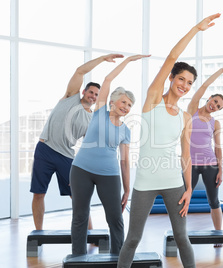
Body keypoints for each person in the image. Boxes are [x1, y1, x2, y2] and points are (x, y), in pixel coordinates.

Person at [117, 13, 221, 268]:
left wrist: (188, 188)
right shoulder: (153, 100)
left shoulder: (186, 117)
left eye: (190, 83)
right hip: (145, 182)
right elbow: (172, 58)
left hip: (174, 182)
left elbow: (185, 155)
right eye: (181, 79)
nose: (185, 85)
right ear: (172, 78)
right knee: (132, 239)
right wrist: (196, 29)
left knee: (182, 238)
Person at [30, 54, 123, 230]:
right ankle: (38, 234)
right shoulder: (70, 97)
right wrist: (103, 59)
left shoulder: (92, 120)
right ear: (84, 92)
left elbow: (95, 144)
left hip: (66, 156)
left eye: (96, 94)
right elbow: (80, 71)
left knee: (78, 196)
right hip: (45, 149)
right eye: (91, 92)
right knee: (38, 194)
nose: (93, 96)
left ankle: (91, 232)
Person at [70, 54, 150, 255]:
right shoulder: (99, 112)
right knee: (80, 216)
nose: (126, 107)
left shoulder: (125, 130)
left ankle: (118, 259)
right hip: (81, 170)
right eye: (123, 102)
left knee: (115, 218)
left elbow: (124, 161)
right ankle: (78, 259)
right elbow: (107, 80)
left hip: (109, 175)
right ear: (112, 101)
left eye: (130, 105)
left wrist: (126, 189)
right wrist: (127, 62)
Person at [186, 63, 223, 248]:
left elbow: (218, 148)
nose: (214, 105)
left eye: (218, 105)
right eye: (214, 101)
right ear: (209, 98)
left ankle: (218, 235)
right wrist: (221, 71)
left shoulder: (215, 124)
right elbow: (202, 86)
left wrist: (221, 170)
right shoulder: (192, 109)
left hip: (210, 164)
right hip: (190, 164)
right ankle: (180, 236)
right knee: (184, 198)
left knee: (213, 200)